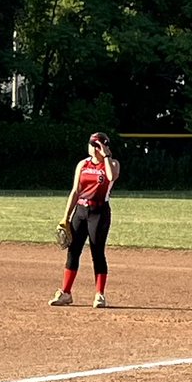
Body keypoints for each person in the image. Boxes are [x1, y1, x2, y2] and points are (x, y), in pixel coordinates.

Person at [49, 132, 121, 308]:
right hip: (80, 211)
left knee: (97, 252)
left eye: (94, 145)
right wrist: (66, 217)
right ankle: (66, 293)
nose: (90, 148)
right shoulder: (83, 164)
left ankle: (99, 295)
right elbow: (75, 191)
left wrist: (106, 155)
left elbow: (112, 177)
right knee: (73, 251)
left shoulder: (112, 164)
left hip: (99, 212)